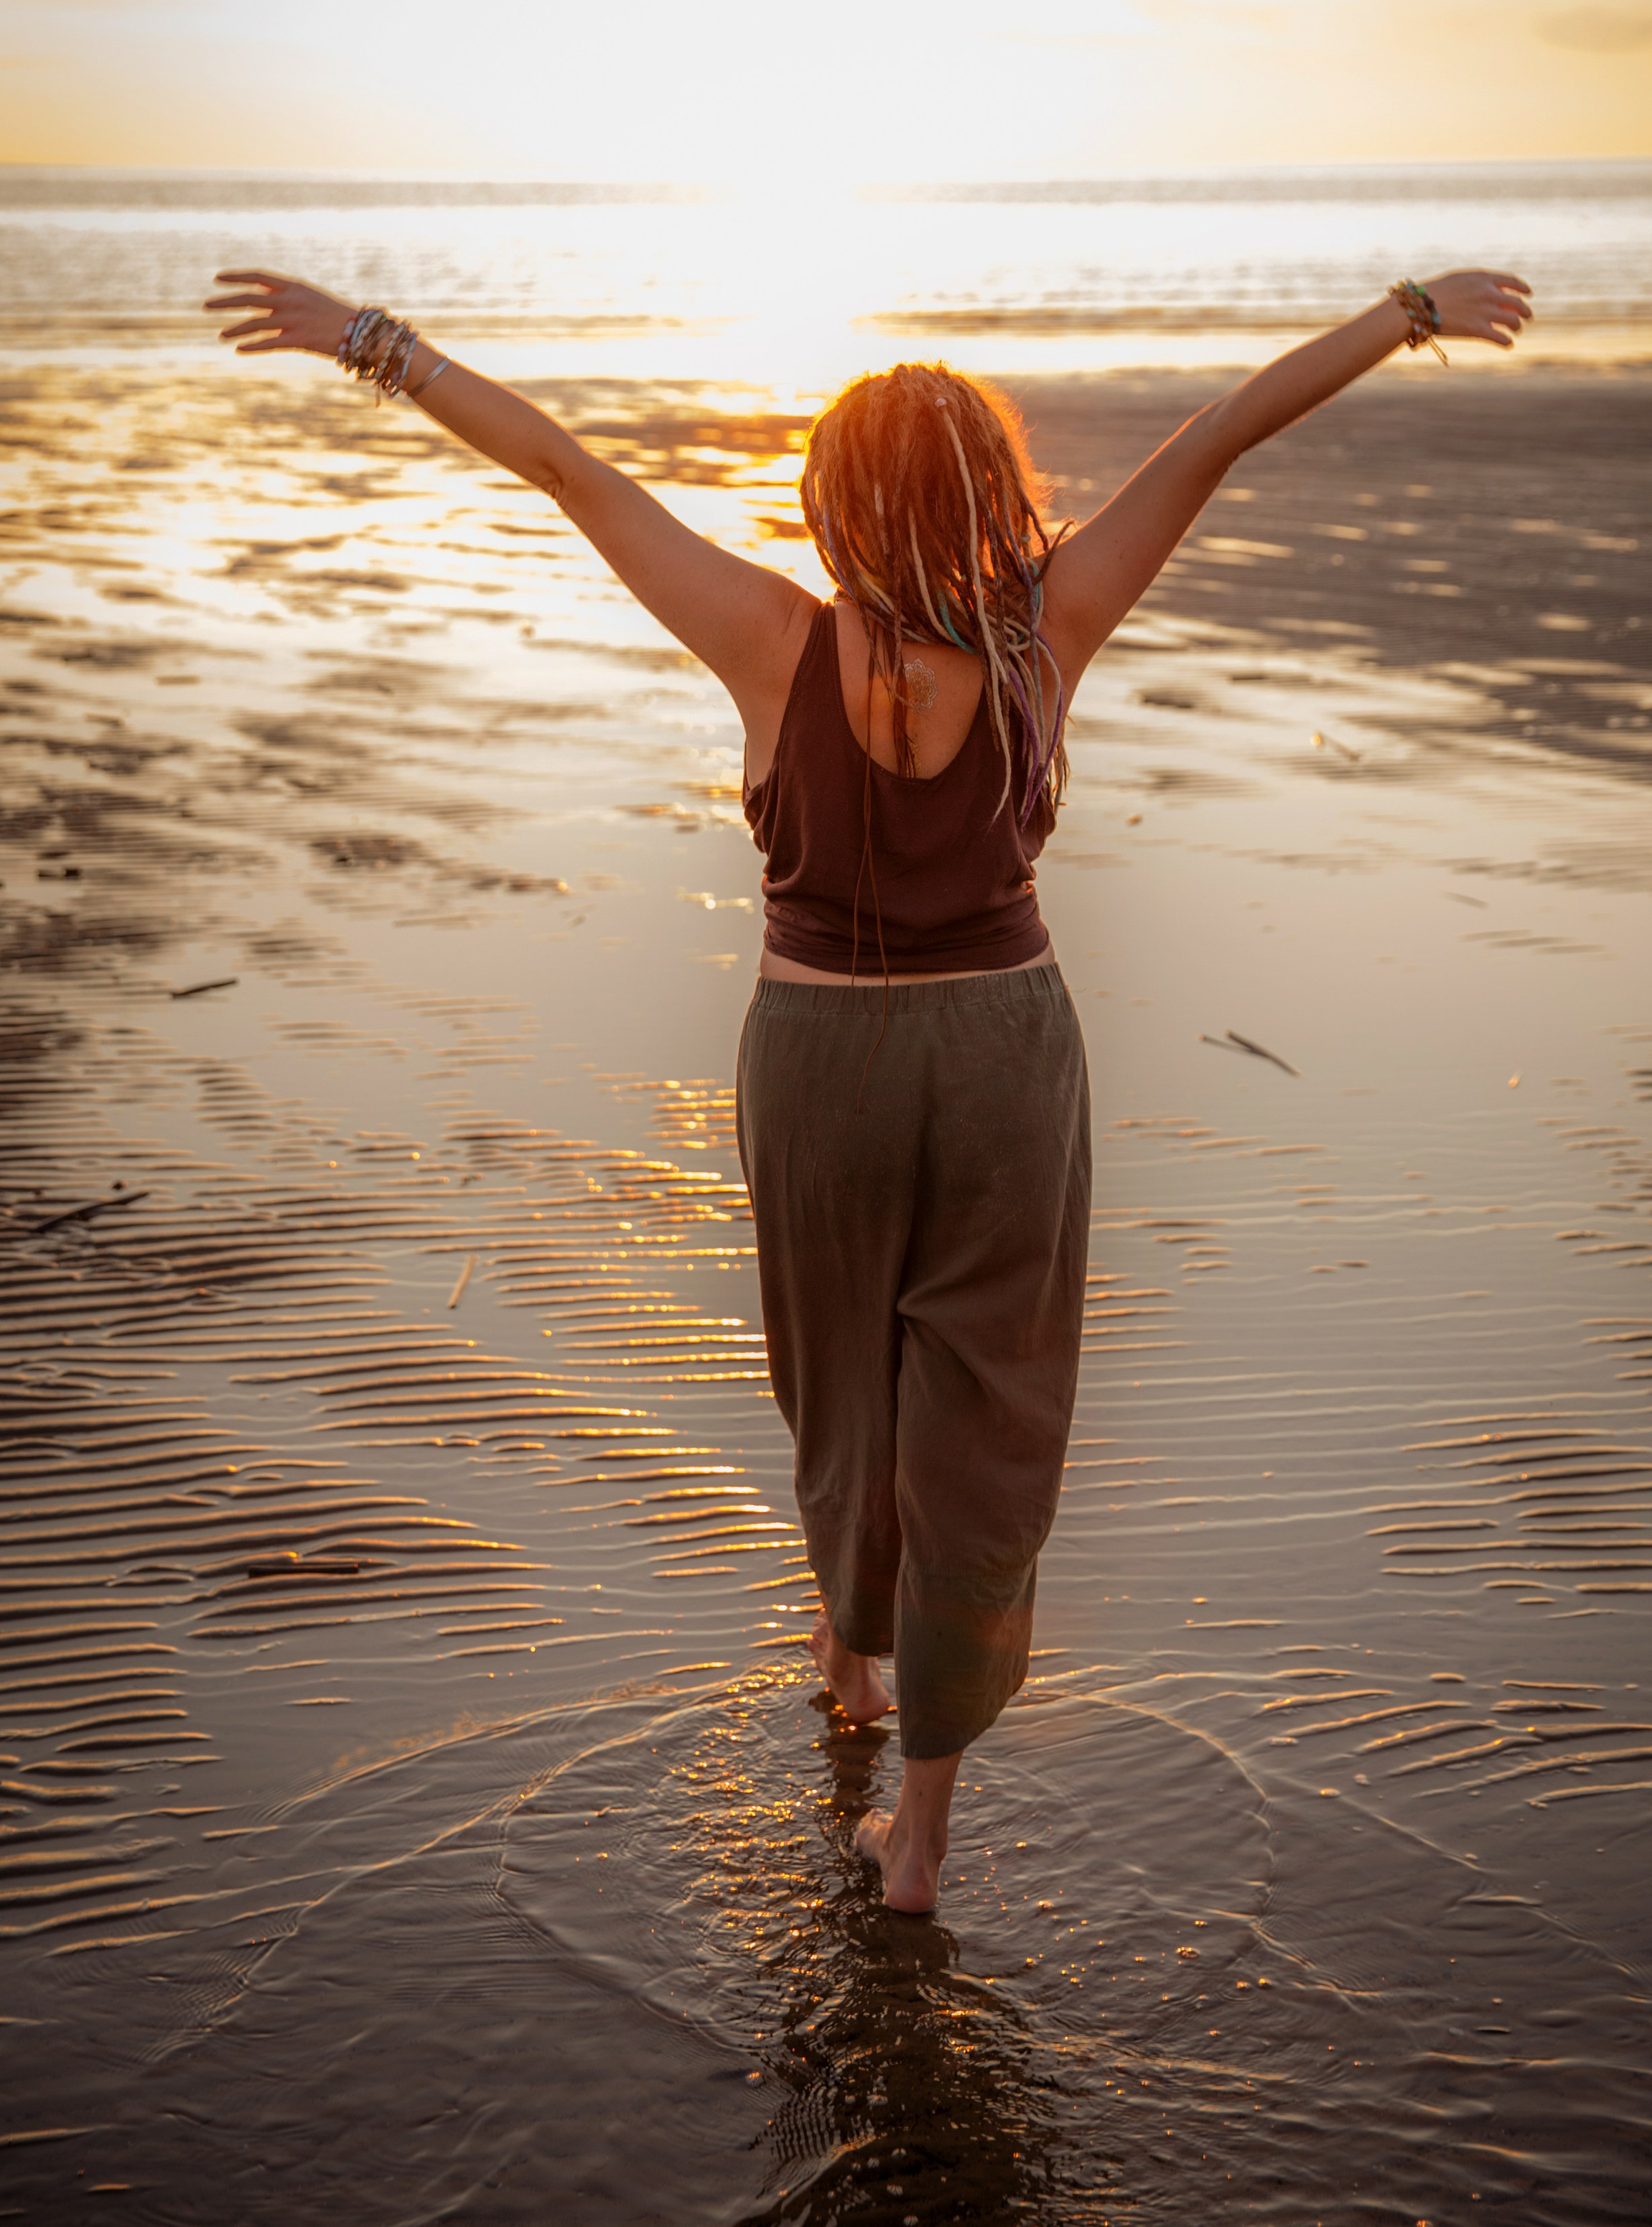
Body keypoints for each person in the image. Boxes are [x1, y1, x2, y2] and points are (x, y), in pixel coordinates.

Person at [205, 262, 1531, 1909]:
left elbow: (560, 468)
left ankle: (847, 1649)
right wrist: (1401, 313)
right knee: (981, 1411)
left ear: (827, 503)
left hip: (819, 1057)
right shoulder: (1048, 631)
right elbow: (1215, 440)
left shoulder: (769, 638)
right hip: (1001, 1055)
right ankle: (919, 1831)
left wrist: (374, 345)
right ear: (992, 493)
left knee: (840, 1386)